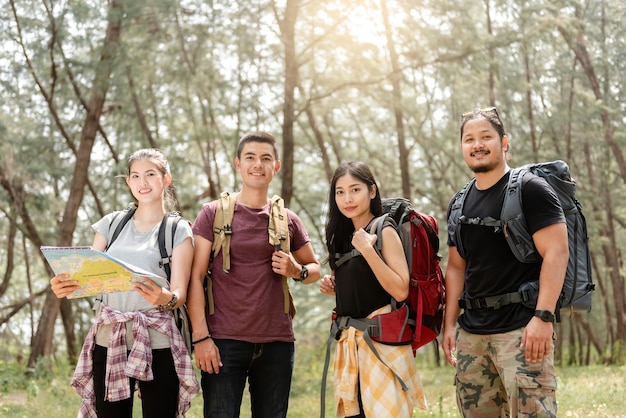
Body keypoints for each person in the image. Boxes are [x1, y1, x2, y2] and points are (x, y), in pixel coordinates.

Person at [50, 148, 199, 418]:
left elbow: (179, 293)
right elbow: (89, 278)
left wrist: (163, 298)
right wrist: (66, 285)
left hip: (159, 343)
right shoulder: (111, 224)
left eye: (151, 174)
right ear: (128, 182)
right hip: (109, 340)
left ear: (166, 179)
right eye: (136, 176)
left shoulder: (177, 230)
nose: (143, 182)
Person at [442, 107, 569, 417]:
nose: (477, 144)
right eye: (469, 139)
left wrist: (542, 316)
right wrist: (449, 324)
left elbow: (557, 252)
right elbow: (457, 267)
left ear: (504, 142)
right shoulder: (459, 203)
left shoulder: (530, 189)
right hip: (472, 336)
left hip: (522, 331)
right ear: (462, 147)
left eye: (486, 137)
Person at [187, 131, 321, 418]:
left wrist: (296, 271)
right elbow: (195, 278)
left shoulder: (288, 219)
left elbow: (315, 270)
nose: (257, 164)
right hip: (222, 341)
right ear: (238, 164)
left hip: (277, 343)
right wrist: (201, 339)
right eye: (250, 157)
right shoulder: (212, 214)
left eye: (265, 158)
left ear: (276, 166)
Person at [319, 160, 427, 418]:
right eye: (340, 191)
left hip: (381, 346)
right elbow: (364, 284)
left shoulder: (384, 228)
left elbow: (400, 290)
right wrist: (333, 286)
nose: (347, 198)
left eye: (355, 189)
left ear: (372, 191)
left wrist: (369, 251)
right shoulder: (341, 237)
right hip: (350, 348)